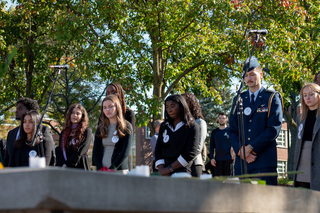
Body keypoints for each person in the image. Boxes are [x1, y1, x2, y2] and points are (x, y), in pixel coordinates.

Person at [229, 56, 283, 185]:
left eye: (252, 74)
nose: (249, 78)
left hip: (264, 161)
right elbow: (232, 130)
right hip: (242, 163)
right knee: (241, 202)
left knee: (265, 202)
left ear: (261, 75)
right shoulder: (238, 99)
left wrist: (251, 148)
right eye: (246, 75)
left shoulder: (271, 97)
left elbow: (273, 128)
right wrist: (241, 150)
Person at [155, 94, 200, 176]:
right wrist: (162, 169)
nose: (169, 110)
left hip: (183, 172)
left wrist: (169, 169)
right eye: (167, 107)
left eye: (172, 106)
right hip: (165, 173)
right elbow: (158, 150)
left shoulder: (192, 126)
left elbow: (190, 153)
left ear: (181, 107)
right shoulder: (164, 126)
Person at [4, 97, 55, 166]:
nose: (16, 111)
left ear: (30, 111)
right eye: (25, 122)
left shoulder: (43, 131)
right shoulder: (12, 133)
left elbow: (48, 158)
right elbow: (7, 159)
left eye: (20, 109)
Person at [93, 95, 133, 174]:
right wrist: (101, 168)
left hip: (119, 171)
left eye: (110, 106)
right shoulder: (100, 128)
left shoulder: (126, 126)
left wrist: (111, 169)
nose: (107, 109)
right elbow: (95, 152)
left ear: (117, 107)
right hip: (102, 172)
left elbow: (125, 152)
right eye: (104, 107)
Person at [294, 83, 320, 190]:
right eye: (304, 95)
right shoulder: (300, 118)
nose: (307, 98)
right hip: (302, 164)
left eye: (311, 94)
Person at [55, 103, 93, 170]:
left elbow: (81, 150)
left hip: (80, 167)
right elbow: (60, 150)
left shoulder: (87, 131)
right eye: (72, 113)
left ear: (82, 116)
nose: (74, 115)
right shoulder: (64, 132)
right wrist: (63, 164)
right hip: (64, 167)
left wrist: (68, 164)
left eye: (78, 113)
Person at [182, 92, 207, 177]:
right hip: (179, 165)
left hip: (193, 164)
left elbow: (198, 147)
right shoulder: (180, 123)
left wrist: (182, 160)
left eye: (185, 101)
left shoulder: (200, 122)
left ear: (191, 103)